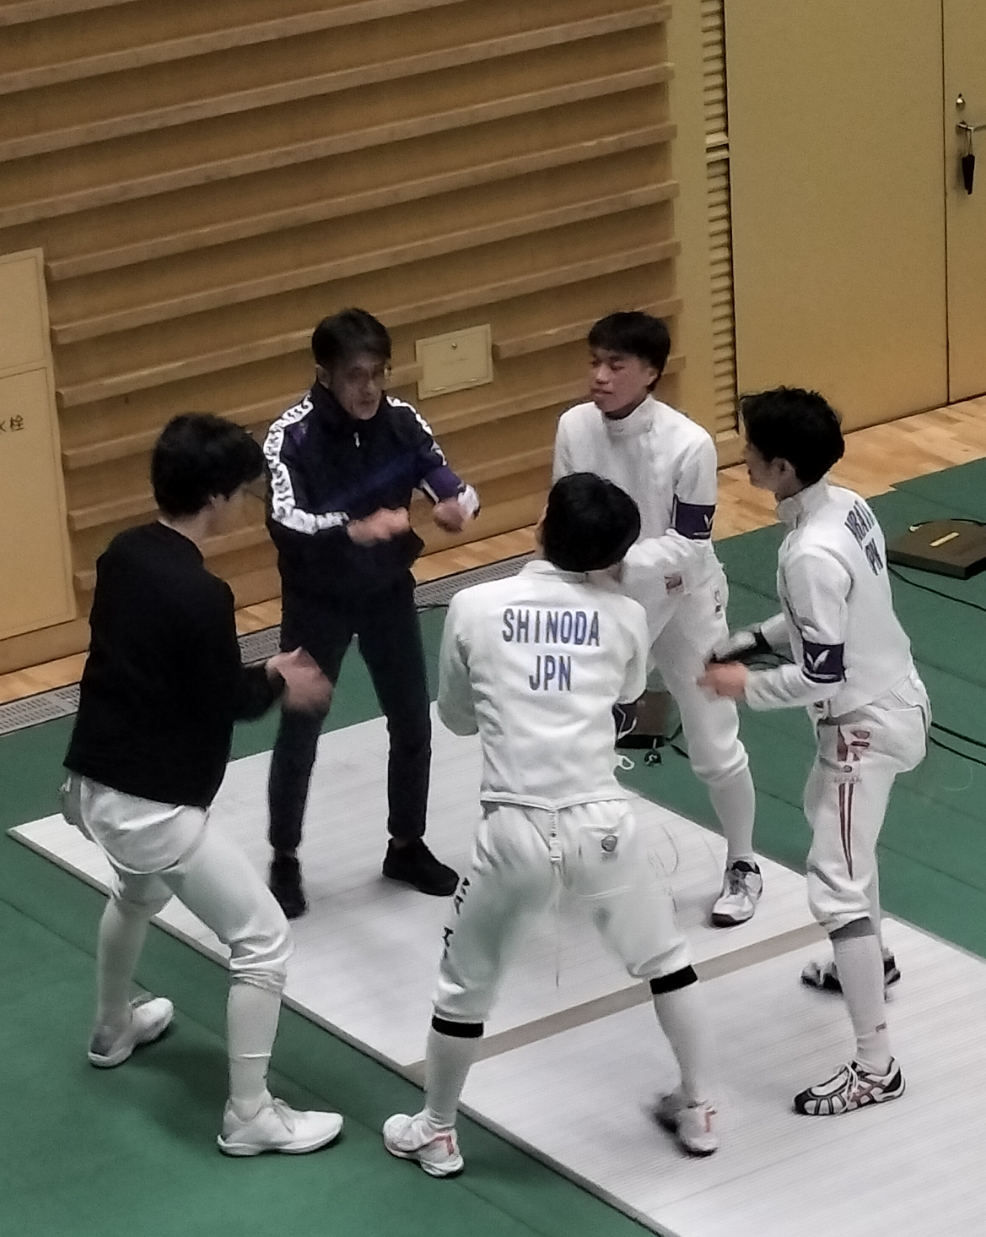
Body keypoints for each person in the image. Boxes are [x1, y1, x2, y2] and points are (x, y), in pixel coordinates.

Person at [382, 473, 719, 1176]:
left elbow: (457, 717)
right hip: (603, 822)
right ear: (612, 557)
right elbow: (626, 696)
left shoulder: (472, 605)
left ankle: (437, 1131)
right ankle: (699, 1106)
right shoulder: (626, 615)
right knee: (666, 960)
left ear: (542, 523)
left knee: (465, 985)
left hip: (514, 829)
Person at [62, 414, 344, 1156]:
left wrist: (262, 675)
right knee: (263, 942)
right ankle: (249, 1115)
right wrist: (280, 681)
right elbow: (227, 698)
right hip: (151, 807)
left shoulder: (124, 553)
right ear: (215, 496)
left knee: (136, 892)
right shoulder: (201, 592)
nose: (245, 505)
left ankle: (112, 1026)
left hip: (92, 783)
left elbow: (161, 673)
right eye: (243, 493)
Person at [700, 387, 929, 1115]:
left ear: (783, 467)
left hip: (863, 727)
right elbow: (827, 613)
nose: (743, 456)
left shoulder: (809, 551)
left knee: (834, 884)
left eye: (753, 449)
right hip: (895, 695)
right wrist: (757, 637)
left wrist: (745, 685)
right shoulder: (847, 506)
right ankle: (873, 960)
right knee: (840, 843)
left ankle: (876, 1066)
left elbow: (821, 673)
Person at [263, 308, 479, 917]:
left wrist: (459, 505)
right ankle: (284, 857)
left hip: (387, 593)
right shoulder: (290, 436)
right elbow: (286, 520)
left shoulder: (401, 421)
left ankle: (406, 845)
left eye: (378, 374)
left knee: (412, 722)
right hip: (318, 601)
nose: (369, 389)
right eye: (355, 375)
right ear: (325, 375)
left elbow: (446, 478)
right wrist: (353, 528)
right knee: (301, 727)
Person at [553, 312, 761, 927]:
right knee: (584, 732)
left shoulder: (689, 443)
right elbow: (566, 513)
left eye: (615, 365)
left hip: (685, 600)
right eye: (595, 362)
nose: (599, 375)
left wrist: (616, 559)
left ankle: (743, 862)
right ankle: (592, 852)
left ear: (650, 372)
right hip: (606, 597)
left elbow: (691, 545)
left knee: (713, 745)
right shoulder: (574, 426)